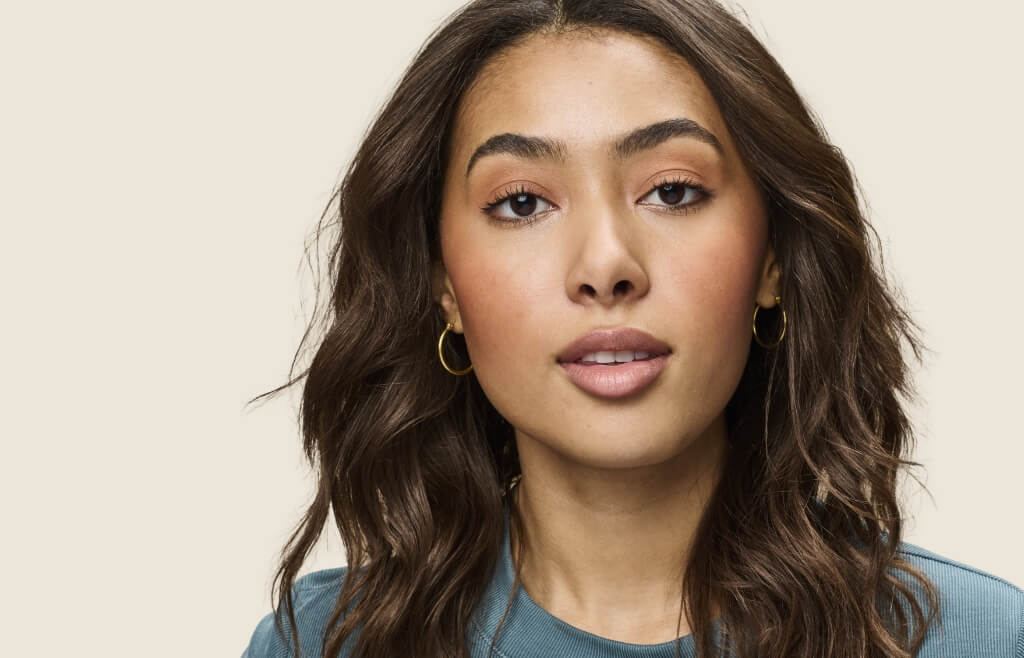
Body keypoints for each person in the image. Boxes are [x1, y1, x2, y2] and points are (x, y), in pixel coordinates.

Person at [241, 1, 1023, 656]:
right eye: (522, 203)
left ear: (773, 261)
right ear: (442, 284)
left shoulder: (980, 638)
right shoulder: (325, 644)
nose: (607, 264)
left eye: (674, 192)